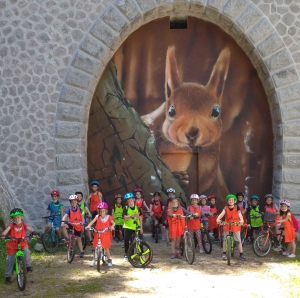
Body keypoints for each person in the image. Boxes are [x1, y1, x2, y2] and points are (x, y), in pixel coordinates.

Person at [0, 208, 37, 284]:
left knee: (27, 251)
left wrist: (33, 232)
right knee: (10, 260)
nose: (16, 219)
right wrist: (3, 235)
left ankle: (28, 266)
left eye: (18, 217)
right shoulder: (11, 225)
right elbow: (7, 229)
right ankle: (8, 276)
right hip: (12, 245)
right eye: (15, 218)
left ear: (21, 217)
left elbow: (29, 228)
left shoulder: (23, 224)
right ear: (12, 219)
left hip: (22, 243)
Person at [216, 194, 246, 261]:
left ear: (235, 201)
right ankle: (224, 253)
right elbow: (222, 214)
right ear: (227, 201)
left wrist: (241, 220)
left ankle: (241, 253)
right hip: (227, 224)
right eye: (229, 200)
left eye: (232, 200)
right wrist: (218, 219)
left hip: (236, 225)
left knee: (238, 240)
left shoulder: (237, 207)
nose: (231, 201)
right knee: (224, 239)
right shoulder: (225, 208)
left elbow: (240, 214)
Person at [86, 202, 115, 267]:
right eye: (100, 211)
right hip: (97, 233)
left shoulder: (109, 217)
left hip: (105, 234)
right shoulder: (97, 217)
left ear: (106, 211)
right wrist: (88, 226)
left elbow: (113, 223)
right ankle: (93, 259)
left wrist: (112, 226)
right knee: (95, 247)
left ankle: (109, 259)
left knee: (106, 247)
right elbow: (92, 222)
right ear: (98, 211)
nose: (102, 212)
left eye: (103, 211)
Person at [122, 192, 143, 261]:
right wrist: (132, 216)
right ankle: (126, 254)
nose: (130, 202)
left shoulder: (137, 208)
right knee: (126, 240)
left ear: (134, 200)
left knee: (138, 241)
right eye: (128, 201)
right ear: (127, 202)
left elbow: (140, 218)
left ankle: (141, 254)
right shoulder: (125, 208)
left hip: (136, 227)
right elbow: (125, 217)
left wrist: (141, 228)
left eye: (131, 200)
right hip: (127, 227)